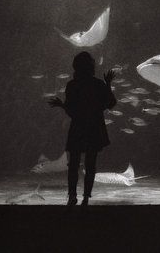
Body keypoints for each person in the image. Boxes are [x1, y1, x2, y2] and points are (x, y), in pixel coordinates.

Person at [48, 51, 117, 206]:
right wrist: (108, 84)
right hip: (94, 128)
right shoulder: (99, 84)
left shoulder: (72, 85)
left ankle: (72, 196)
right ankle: (86, 198)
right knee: (90, 164)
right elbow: (111, 104)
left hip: (78, 128)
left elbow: (72, 111)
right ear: (91, 66)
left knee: (73, 165)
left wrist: (61, 105)